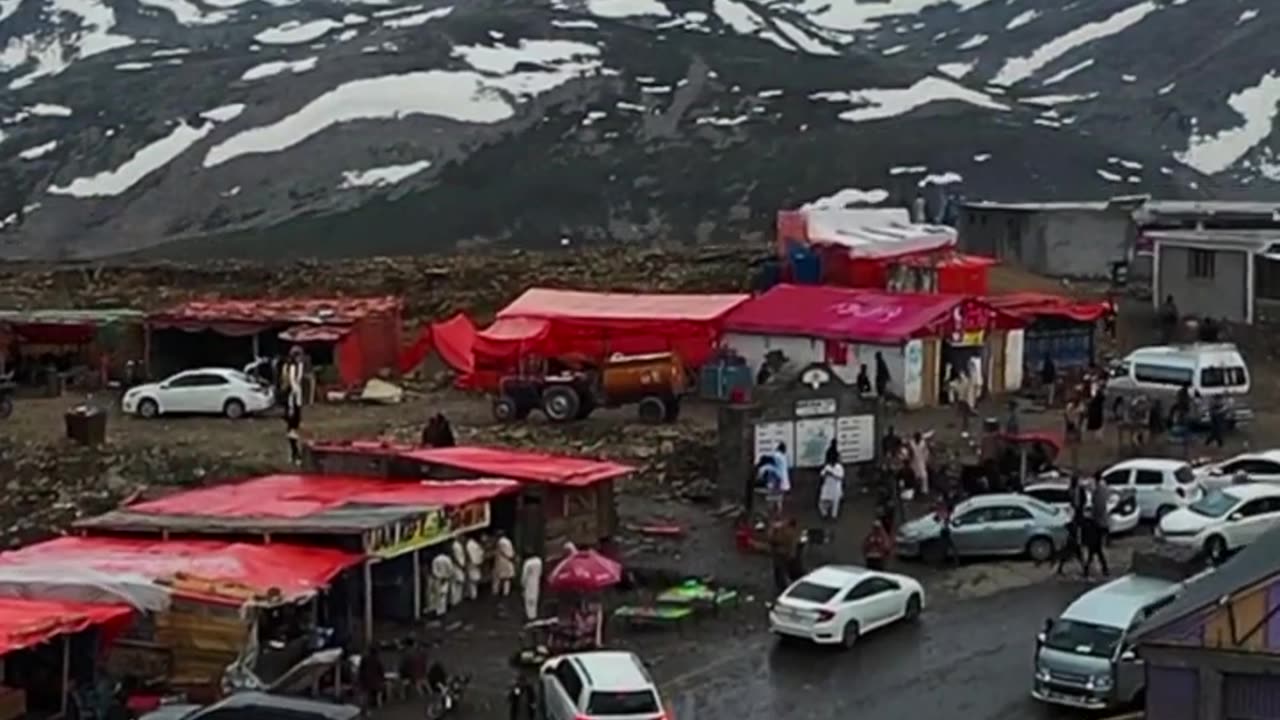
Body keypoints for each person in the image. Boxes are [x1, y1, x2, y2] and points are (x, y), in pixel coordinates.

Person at [818, 449, 845, 520]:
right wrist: (825, 474)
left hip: (836, 487)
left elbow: (840, 477)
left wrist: (832, 474)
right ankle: (824, 514)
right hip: (827, 487)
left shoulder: (839, 467)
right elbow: (822, 475)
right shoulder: (827, 467)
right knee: (822, 502)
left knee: (835, 503)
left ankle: (834, 516)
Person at [492, 533, 516, 597]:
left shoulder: (501, 542)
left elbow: (502, 552)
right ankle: (506, 592)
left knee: (498, 577)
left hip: (502, 561)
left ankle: (496, 592)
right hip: (508, 561)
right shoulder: (508, 541)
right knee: (507, 578)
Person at [429, 552, 452, 617]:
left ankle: (438, 611)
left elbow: (434, 571)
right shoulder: (447, 559)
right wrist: (447, 576)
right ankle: (443, 610)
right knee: (444, 595)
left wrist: (439, 577)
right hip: (446, 579)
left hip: (438, 580)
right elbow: (450, 569)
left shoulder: (435, 560)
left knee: (437, 595)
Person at [520, 555, 542, 621]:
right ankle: (534, 615)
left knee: (528, 599)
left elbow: (524, 575)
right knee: (535, 598)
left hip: (529, 582)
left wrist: (522, 583)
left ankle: (529, 616)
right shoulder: (539, 561)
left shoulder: (527, 563)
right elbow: (540, 572)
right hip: (536, 581)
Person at [464, 536, 484, 600]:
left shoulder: (469, 545)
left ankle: (473, 596)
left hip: (472, 564)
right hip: (475, 563)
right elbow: (481, 552)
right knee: (473, 580)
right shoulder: (473, 544)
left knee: (472, 581)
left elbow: (469, 555)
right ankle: (473, 595)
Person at [284, 399, 303, 465]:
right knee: (292, 444)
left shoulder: (296, 411)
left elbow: (297, 420)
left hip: (293, 429)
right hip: (291, 429)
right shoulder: (289, 410)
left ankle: (298, 458)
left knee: (295, 444)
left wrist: (294, 429)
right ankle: (294, 457)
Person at [448, 540, 466, 605]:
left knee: (455, 584)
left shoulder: (455, 545)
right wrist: (461, 566)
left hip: (456, 566)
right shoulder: (456, 546)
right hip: (457, 567)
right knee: (457, 583)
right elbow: (456, 557)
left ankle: (455, 600)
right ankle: (455, 600)